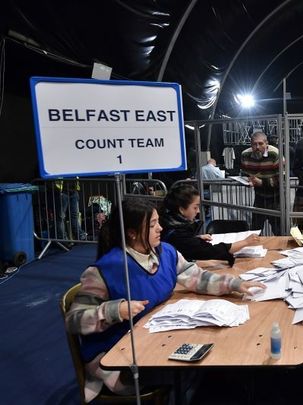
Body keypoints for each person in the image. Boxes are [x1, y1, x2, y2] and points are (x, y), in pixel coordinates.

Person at [65, 199, 265, 401]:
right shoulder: (104, 271)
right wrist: (115, 310)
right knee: (206, 370)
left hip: (154, 337)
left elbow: (197, 277)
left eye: (158, 222)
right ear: (132, 233)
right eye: (152, 225)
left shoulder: (166, 252)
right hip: (119, 357)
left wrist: (234, 284)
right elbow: (74, 320)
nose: (160, 228)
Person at [160, 184, 260, 266]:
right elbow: (210, 251)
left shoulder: (170, 222)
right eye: (195, 207)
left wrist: (196, 239)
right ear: (181, 209)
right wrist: (245, 242)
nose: (198, 211)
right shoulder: (178, 233)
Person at [240, 131, 281, 235]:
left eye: (260, 143)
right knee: (255, 232)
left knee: (279, 231)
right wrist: (247, 180)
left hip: (276, 198)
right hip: (259, 198)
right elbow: (245, 174)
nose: (257, 147)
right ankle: (255, 251)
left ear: (266, 143)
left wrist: (261, 182)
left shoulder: (275, 153)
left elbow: (281, 180)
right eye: (254, 144)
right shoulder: (245, 155)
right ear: (251, 144)